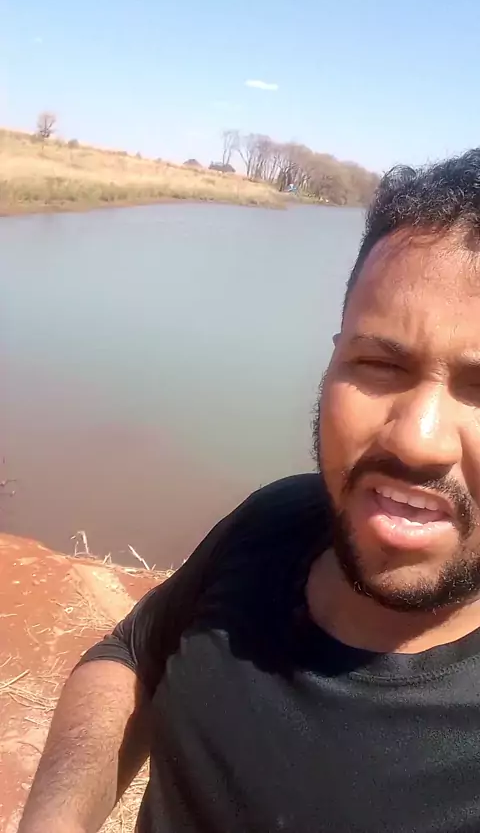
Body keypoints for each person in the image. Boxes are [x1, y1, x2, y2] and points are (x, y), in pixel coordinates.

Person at [19, 149, 480, 833]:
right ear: (333, 357)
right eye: (379, 365)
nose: (417, 439)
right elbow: (134, 654)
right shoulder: (279, 520)